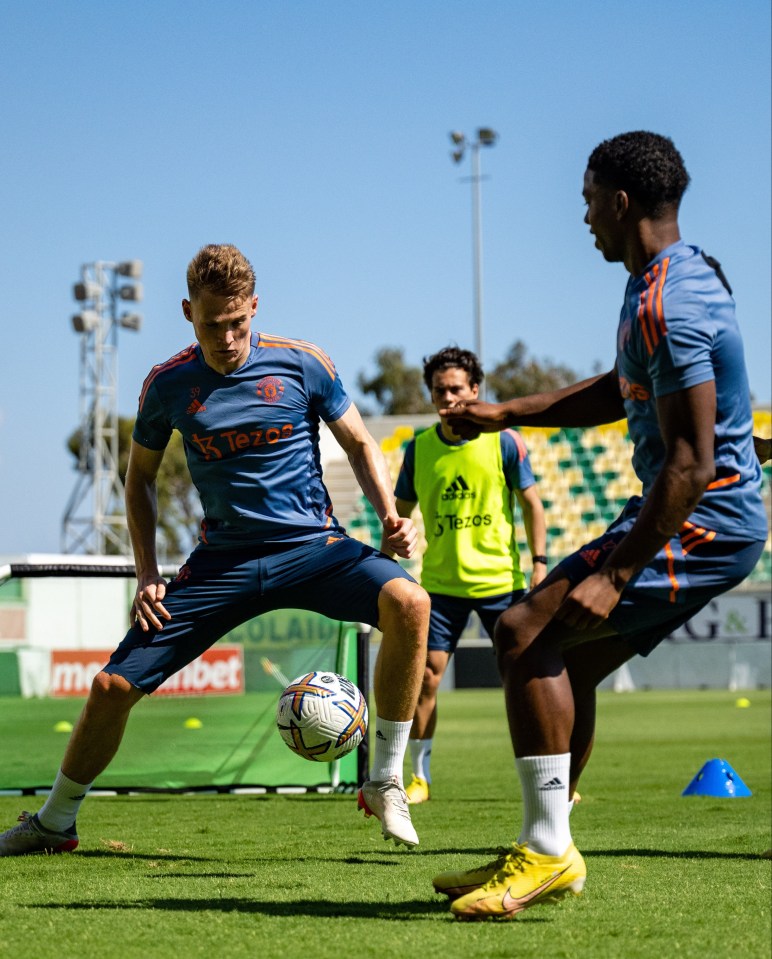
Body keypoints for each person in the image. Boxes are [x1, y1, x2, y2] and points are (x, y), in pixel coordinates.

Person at [429, 131, 769, 920]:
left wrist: (615, 575)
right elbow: (624, 388)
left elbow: (689, 461)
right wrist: (505, 412)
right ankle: (549, 844)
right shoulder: (666, 279)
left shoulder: (668, 302)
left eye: (587, 199)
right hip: (683, 503)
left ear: (620, 203)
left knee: (520, 631)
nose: (582, 216)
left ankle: (547, 850)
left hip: (700, 514)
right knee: (563, 659)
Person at [0, 243, 430, 855]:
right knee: (110, 689)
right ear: (186, 312)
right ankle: (54, 821)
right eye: (211, 324)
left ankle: (385, 779)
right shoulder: (168, 384)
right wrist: (148, 573)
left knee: (410, 604)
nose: (227, 338)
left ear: (254, 308)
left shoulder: (303, 364)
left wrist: (391, 515)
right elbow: (140, 480)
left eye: (238, 323)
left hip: (314, 547)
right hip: (222, 564)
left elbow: (361, 443)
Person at [381, 346, 547, 804]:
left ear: (476, 391)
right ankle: (419, 777)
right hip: (440, 586)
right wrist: (384, 564)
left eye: (457, 389)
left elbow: (533, 505)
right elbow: (399, 514)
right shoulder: (419, 449)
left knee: (528, 681)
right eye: (440, 391)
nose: (449, 398)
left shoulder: (505, 442)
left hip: (503, 583)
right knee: (426, 679)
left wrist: (539, 563)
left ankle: (551, 782)